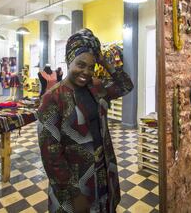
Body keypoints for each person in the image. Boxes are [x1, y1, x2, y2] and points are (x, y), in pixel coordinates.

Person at [38, 28, 133, 213]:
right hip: (75, 183)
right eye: (80, 65)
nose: (86, 72)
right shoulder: (53, 98)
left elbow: (126, 85)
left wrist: (106, 63)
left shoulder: (96, 87)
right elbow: (51, 155)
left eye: (91, 67)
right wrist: (73, 193)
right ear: (69, 60)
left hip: (103, 173)